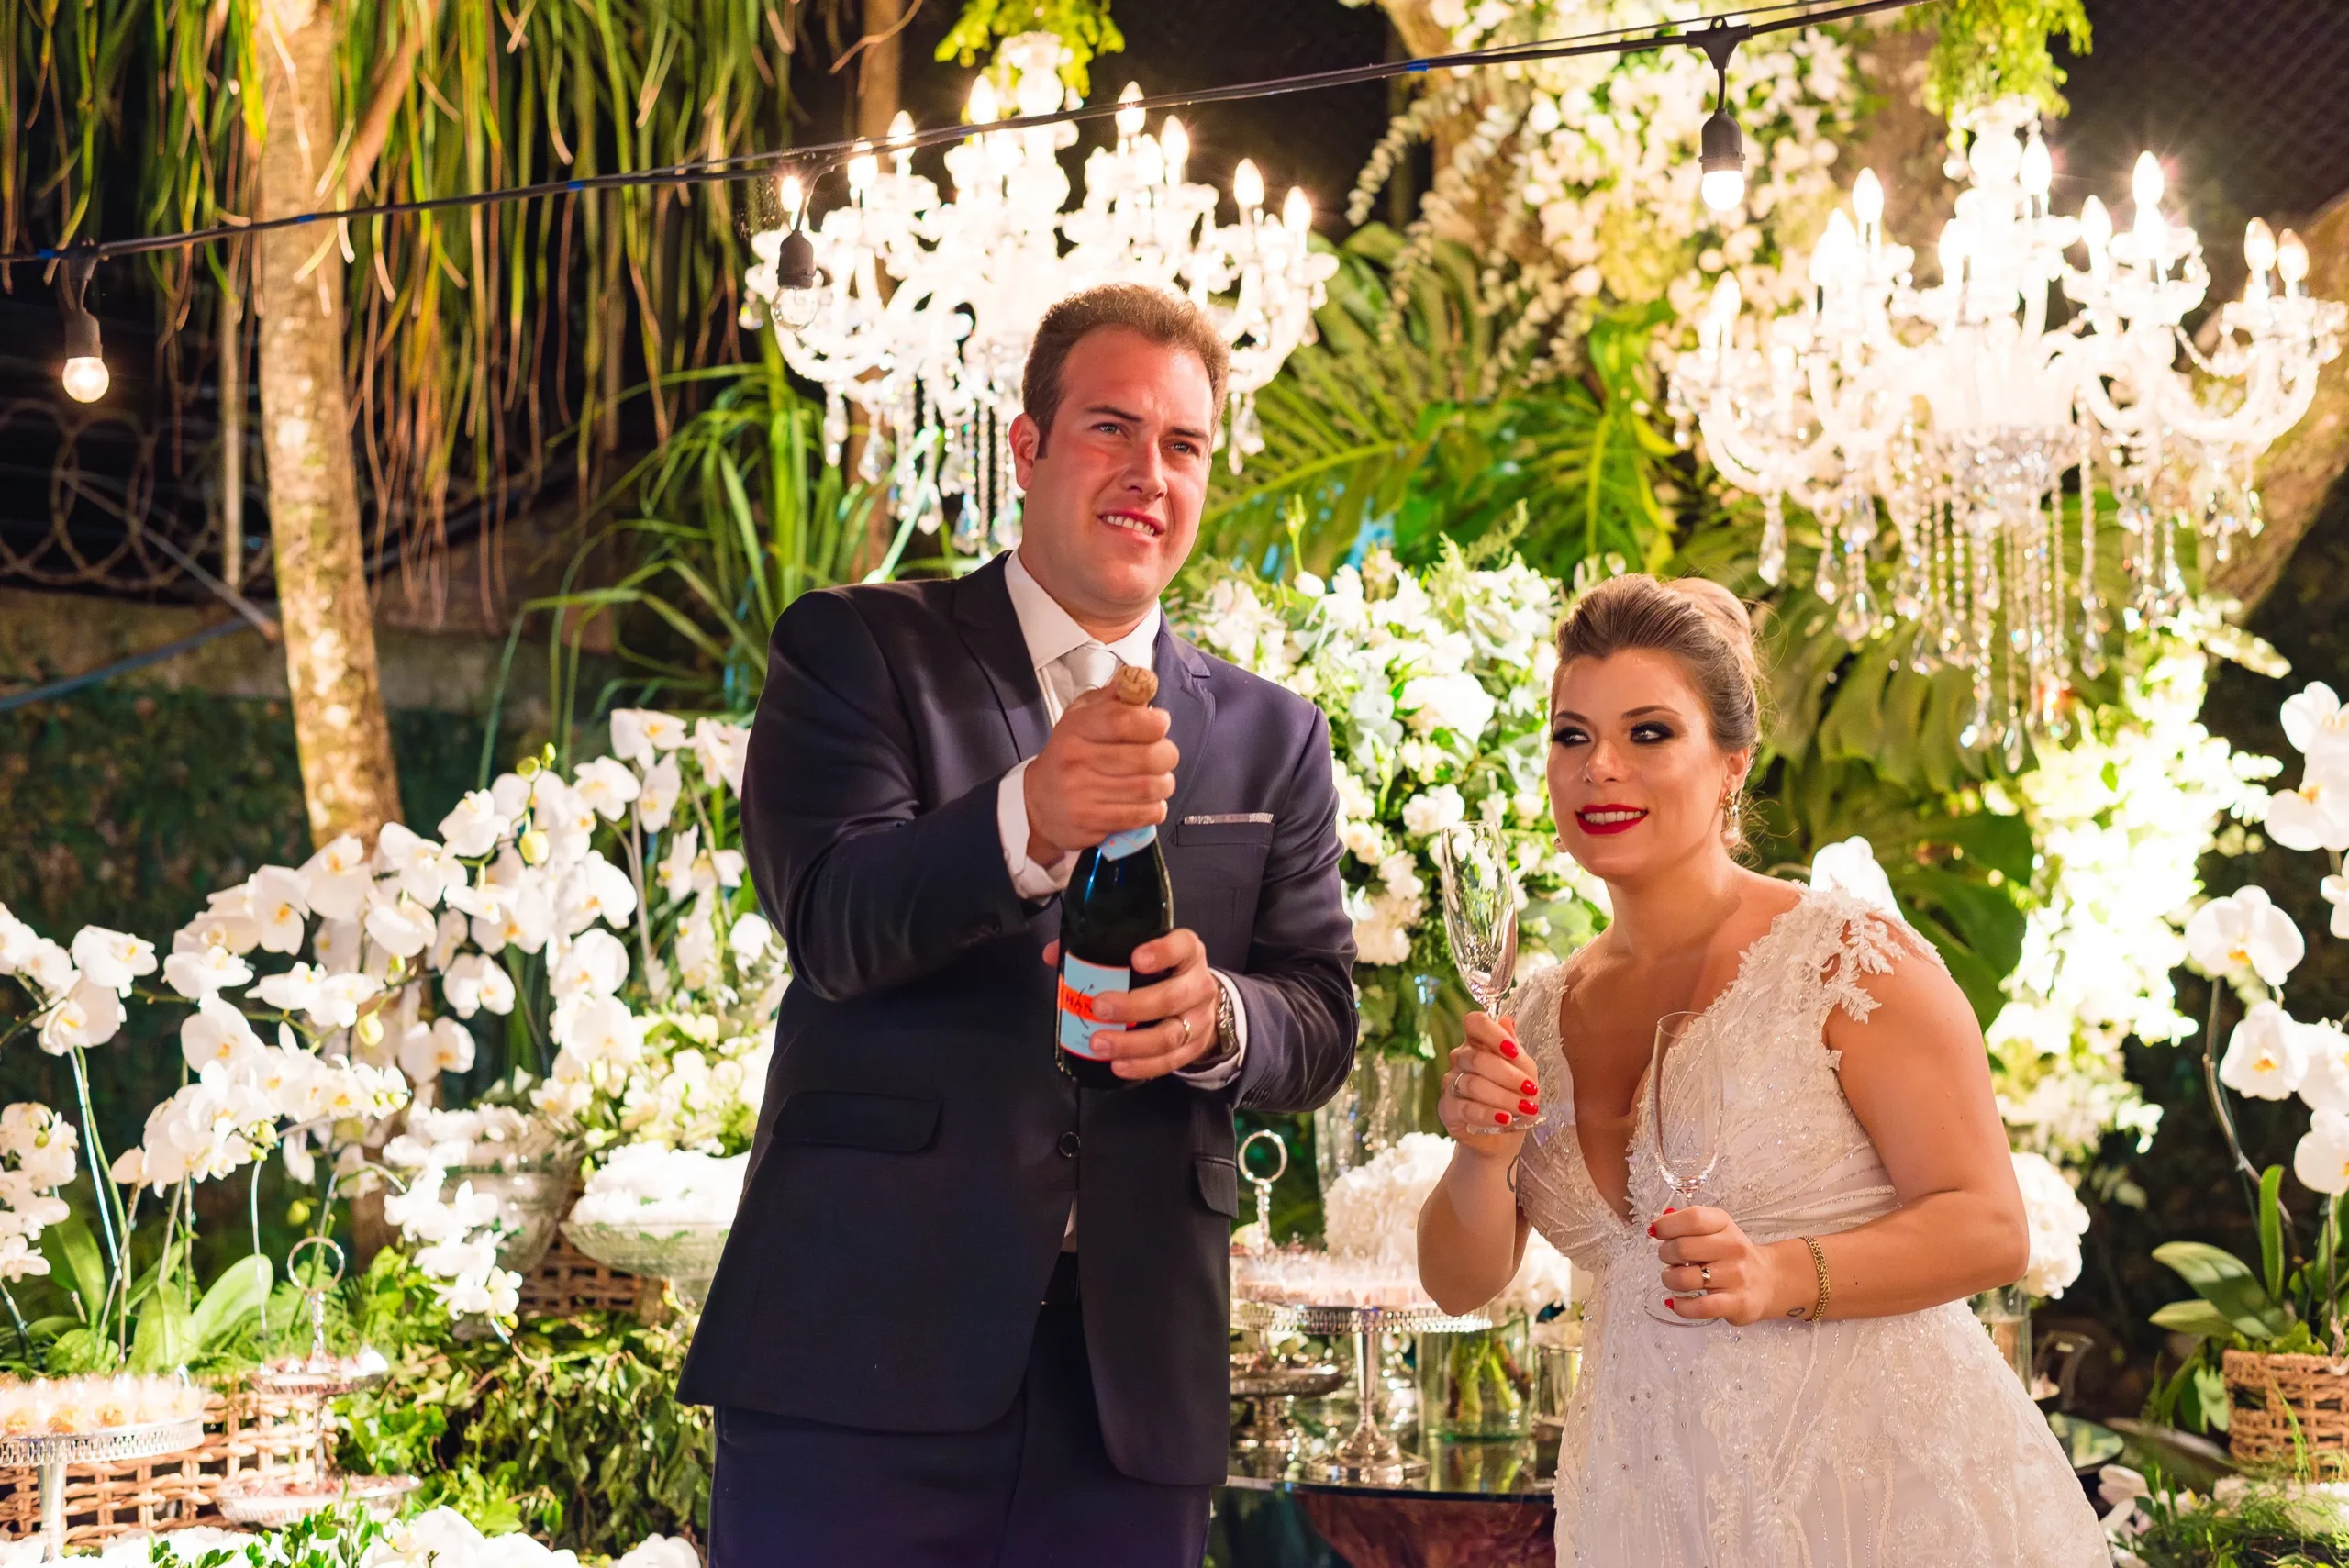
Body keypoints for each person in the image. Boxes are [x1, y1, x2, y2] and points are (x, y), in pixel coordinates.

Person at [678, 284, 1358, 1567]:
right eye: (1111, 428)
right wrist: (1029, 815)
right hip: (856, 1358)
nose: (1150, 472)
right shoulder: (859, 648)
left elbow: (1320, 1013)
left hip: (1129, 1390)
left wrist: (1220, 1018)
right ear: (1028, 446)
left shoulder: (1276, 735)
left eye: (1184, 444)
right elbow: (830, 919)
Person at [1414, 574, 2106, 1566]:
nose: (1600, 766)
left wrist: (1780, 1273)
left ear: (1731, 763)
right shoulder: (1532, 1012)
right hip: (1648, 1508)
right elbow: (1457, 1284)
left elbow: (1991, 1227)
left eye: (1649, 732)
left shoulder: (1846, 960)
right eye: (1572, 736)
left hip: (1882, 1507)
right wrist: (1480, 1156)